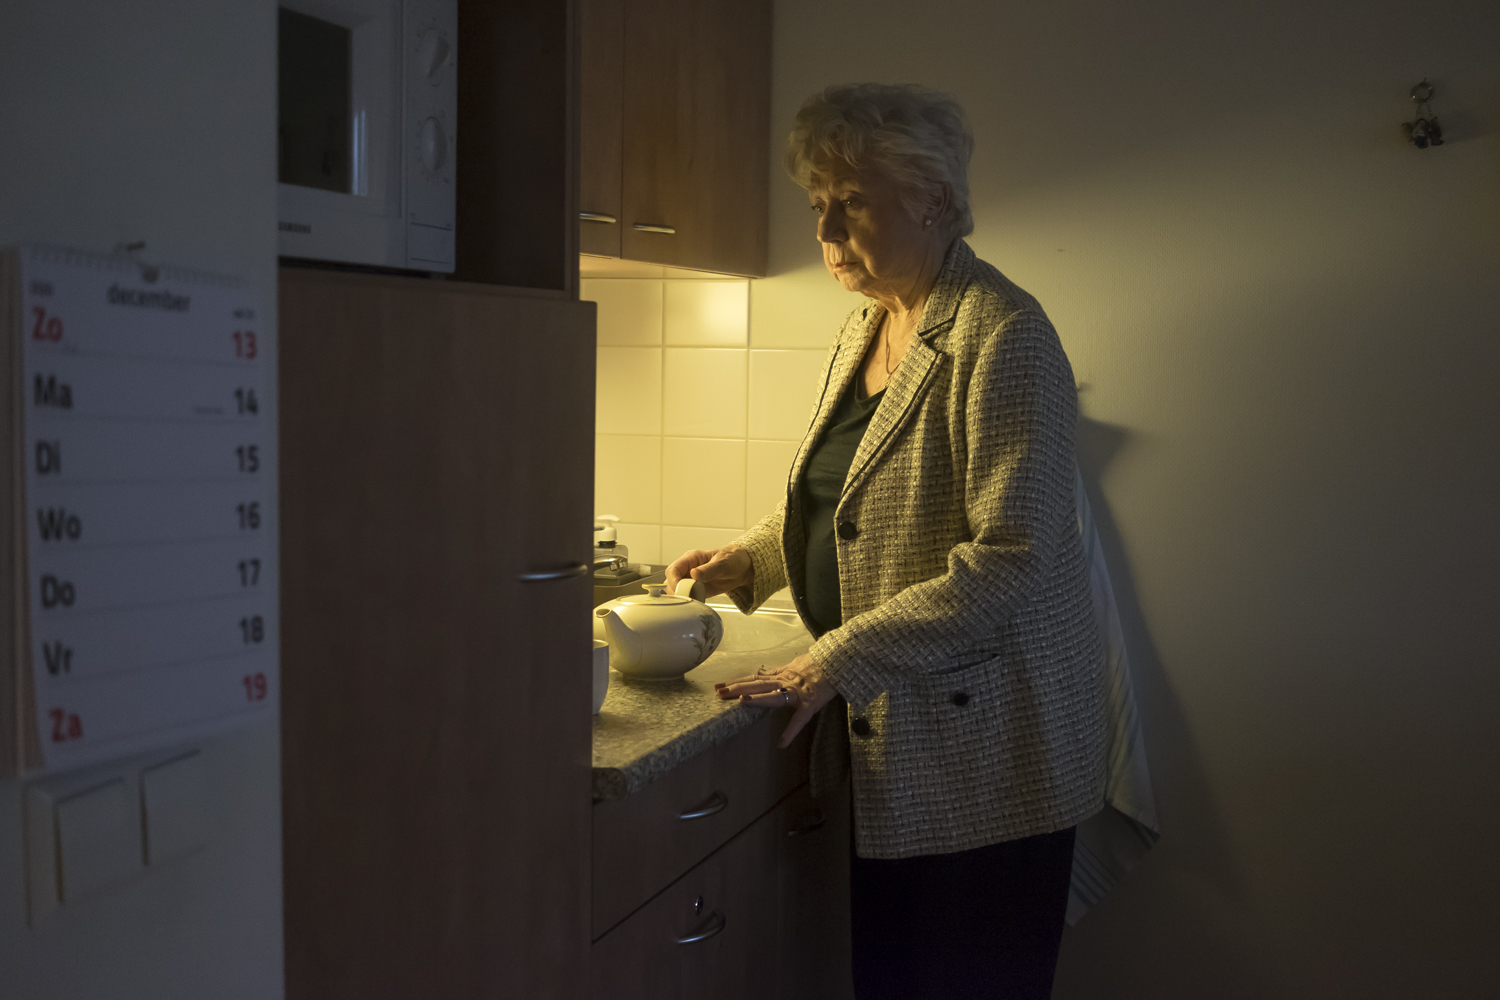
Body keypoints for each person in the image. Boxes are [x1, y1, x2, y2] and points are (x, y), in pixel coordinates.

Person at [665, 83, 1105, 1000]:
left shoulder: (1006, 336)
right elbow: (849, 498)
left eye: (851, 202)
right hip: (902, 732)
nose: (825, 230)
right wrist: (756, 556)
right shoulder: (868, 324)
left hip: (987, 747)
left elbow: (1014, 555)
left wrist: (834, 657)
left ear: (933, 199)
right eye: (818, 203)